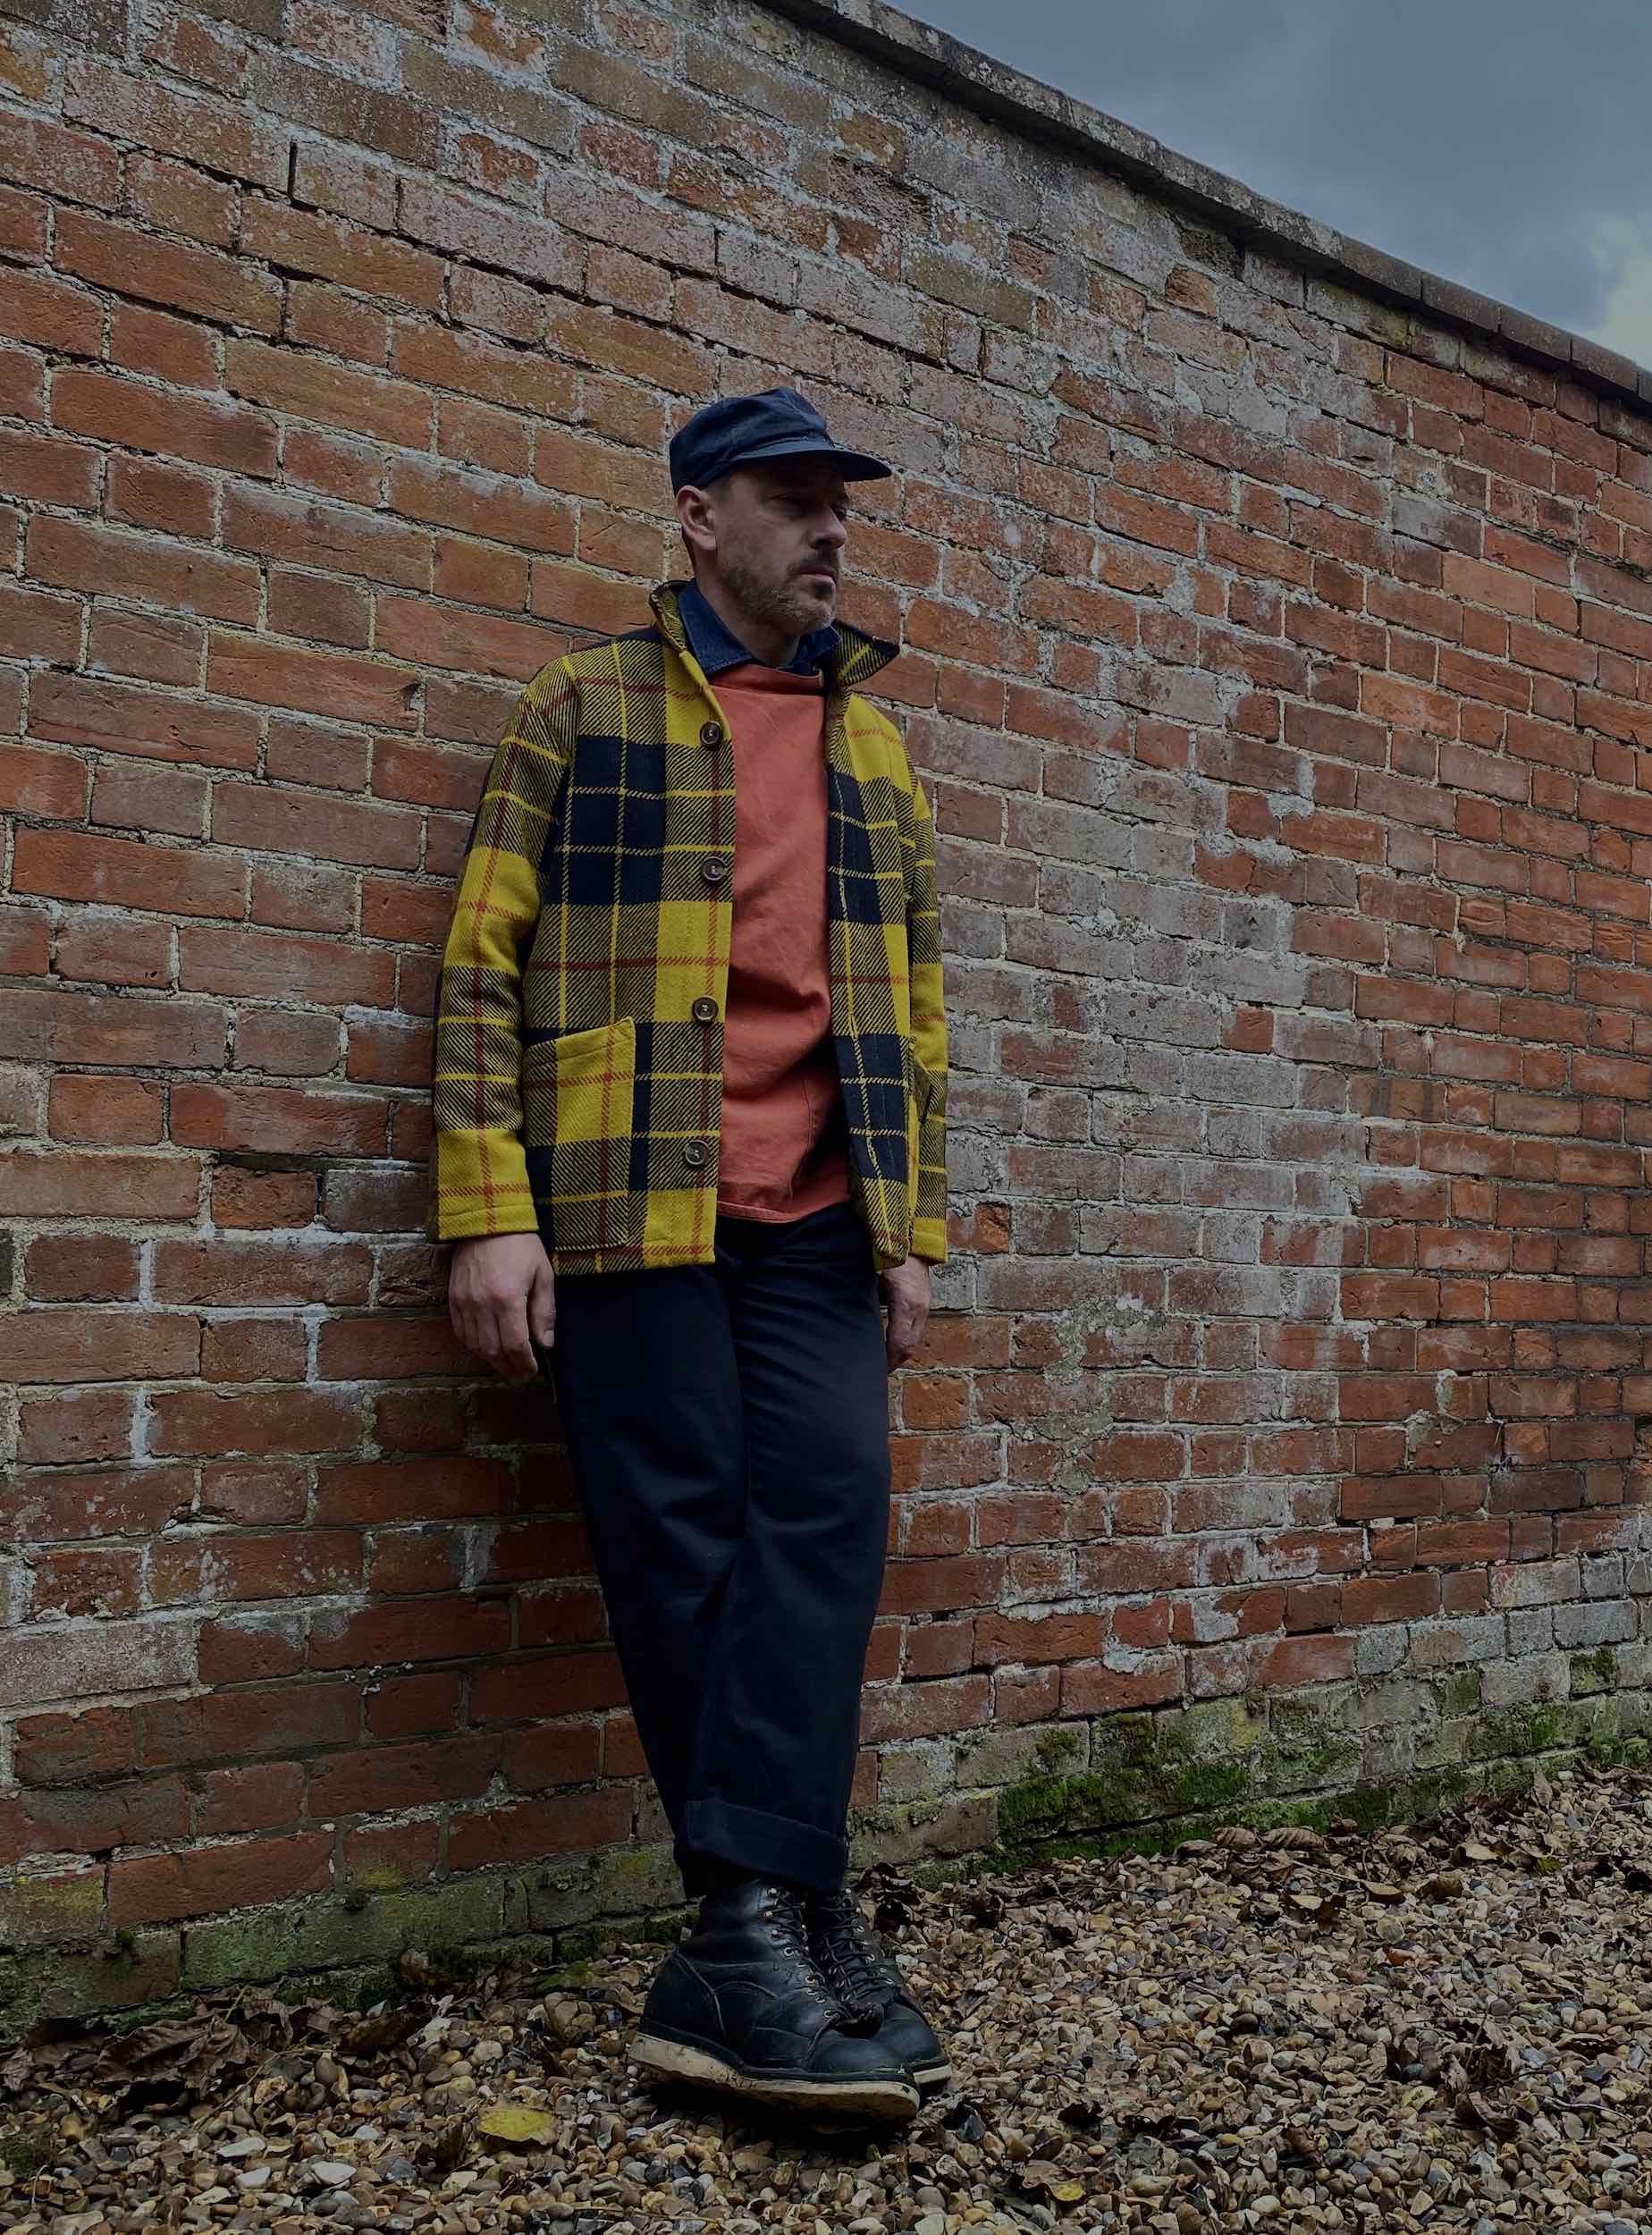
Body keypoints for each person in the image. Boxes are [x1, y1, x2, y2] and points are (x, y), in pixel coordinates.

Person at [429, 387, 949, 2124]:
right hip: (630, 1203)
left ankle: (765, 1920)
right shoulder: (576, 712)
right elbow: (477, 969)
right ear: (696, 516)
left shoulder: (873, 751)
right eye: (793, 500)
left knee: (827, 1518)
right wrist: (487, 1204)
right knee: (680, 1548)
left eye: (839, 509)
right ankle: (764, 1920)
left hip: (815, 1210)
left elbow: (913, 1006)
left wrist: (911, 1227)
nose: (828, 532)